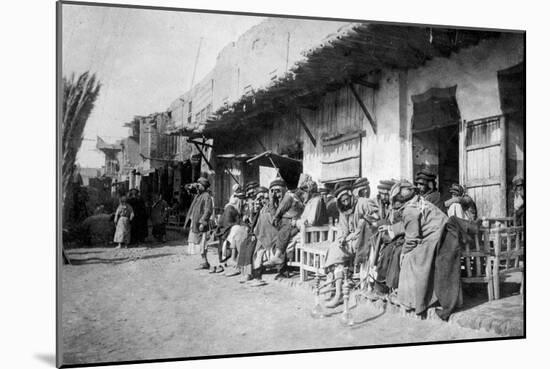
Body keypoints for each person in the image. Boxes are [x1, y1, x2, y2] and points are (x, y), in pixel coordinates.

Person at [389, 180, 448, 315]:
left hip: (437, 238)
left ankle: (414, 301)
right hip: (443, 234)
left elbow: (412, 239)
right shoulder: (419, 202)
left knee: (410, 259)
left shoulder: (409, 210)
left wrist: (404, 252)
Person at [323, 181, 379, 308]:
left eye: (346, 199)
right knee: (334, 248)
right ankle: (337, 290)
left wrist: (365, 222)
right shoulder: (342, 209)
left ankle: (336, 289)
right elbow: (343, 229)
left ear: (350, 195)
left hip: (365, 239)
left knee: (335, 251)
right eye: (342, 201)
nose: (345, 202)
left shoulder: (363, 203)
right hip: (351, 241)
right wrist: (342, 238)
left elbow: (377, 217)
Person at [263, 177, 305, 279]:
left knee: (281, 235)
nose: (276, 194)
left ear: (283, 189)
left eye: (278, 191)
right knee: (276, 236)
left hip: (294, 223)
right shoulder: (279, 199)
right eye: (273, 192)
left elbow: (278, 214)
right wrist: (272, 200)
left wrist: (275, 215)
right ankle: (281, 268)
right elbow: (274, 215)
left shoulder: (289, 196)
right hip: (286, 223)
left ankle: (280, 263)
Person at [212, 186, 244, 274]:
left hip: (229, 229)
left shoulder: (234, 209)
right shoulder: (230, 209)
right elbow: (228, 223)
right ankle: (232, 258)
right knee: (237, 231)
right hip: (226, 231)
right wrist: (239, 224)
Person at [185, 177, 214, 270]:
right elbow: (187, 187)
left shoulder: (206, 196)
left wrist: (203, 222)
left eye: (200, 185)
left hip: (201, 224)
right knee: (198, 243)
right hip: (196, 222)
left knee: (202, 243)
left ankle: (205, 262)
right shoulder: (199, 195)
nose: (197, 187)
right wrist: (194, 185)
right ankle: (204, 261)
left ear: (204, 186)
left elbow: (208, 210)